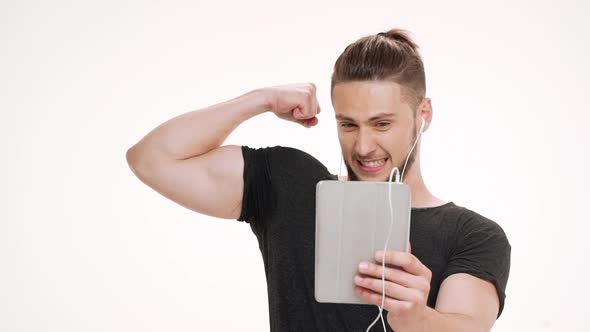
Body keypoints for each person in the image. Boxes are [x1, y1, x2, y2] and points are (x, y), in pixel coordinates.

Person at [126, 28, 511, 332]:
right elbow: (152, 159)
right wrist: (259, 99)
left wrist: (416, 319)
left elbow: (467, 325)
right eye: (348, 124)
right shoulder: (289, 184)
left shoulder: (473, 234)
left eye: (382, 124)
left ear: (422, 114)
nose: (364, 146)